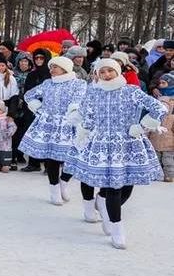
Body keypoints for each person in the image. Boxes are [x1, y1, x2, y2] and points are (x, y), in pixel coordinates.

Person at [64, 59, 168, 249]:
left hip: (129, 143)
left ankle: (102, 201)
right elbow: (88, 118)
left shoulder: (131, 91)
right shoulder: (93, 93)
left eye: (110, 71)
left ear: (117, 71)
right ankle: (116, 228)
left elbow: (160, 107)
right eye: (102, 72)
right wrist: (82, 136)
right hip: (103, 144)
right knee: (114, 187)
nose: (106, 75)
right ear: (97, 74)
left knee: (127, 186)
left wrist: (143, 126)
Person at [19, 56, 86, 206]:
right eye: (51, 67)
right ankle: (54, 189)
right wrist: (39, 108)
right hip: (48, 124)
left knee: (72, 155)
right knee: (52, 157)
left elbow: (78, 100)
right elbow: (29, 95)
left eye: (55, 66)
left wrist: (73, 113)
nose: (51, 69)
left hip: (69, 124)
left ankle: (64, 182)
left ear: (65, 68)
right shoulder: (48, 83)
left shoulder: (78, 83)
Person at [150, 73, 174, 182]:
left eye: (164, 83)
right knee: (156, 157)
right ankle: (156, 174)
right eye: (160, 83)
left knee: (168, 159)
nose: (160, 85)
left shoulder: (170, 101)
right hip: (157, 134)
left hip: (169, 135)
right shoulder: (157, 98)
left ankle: (169, 175)